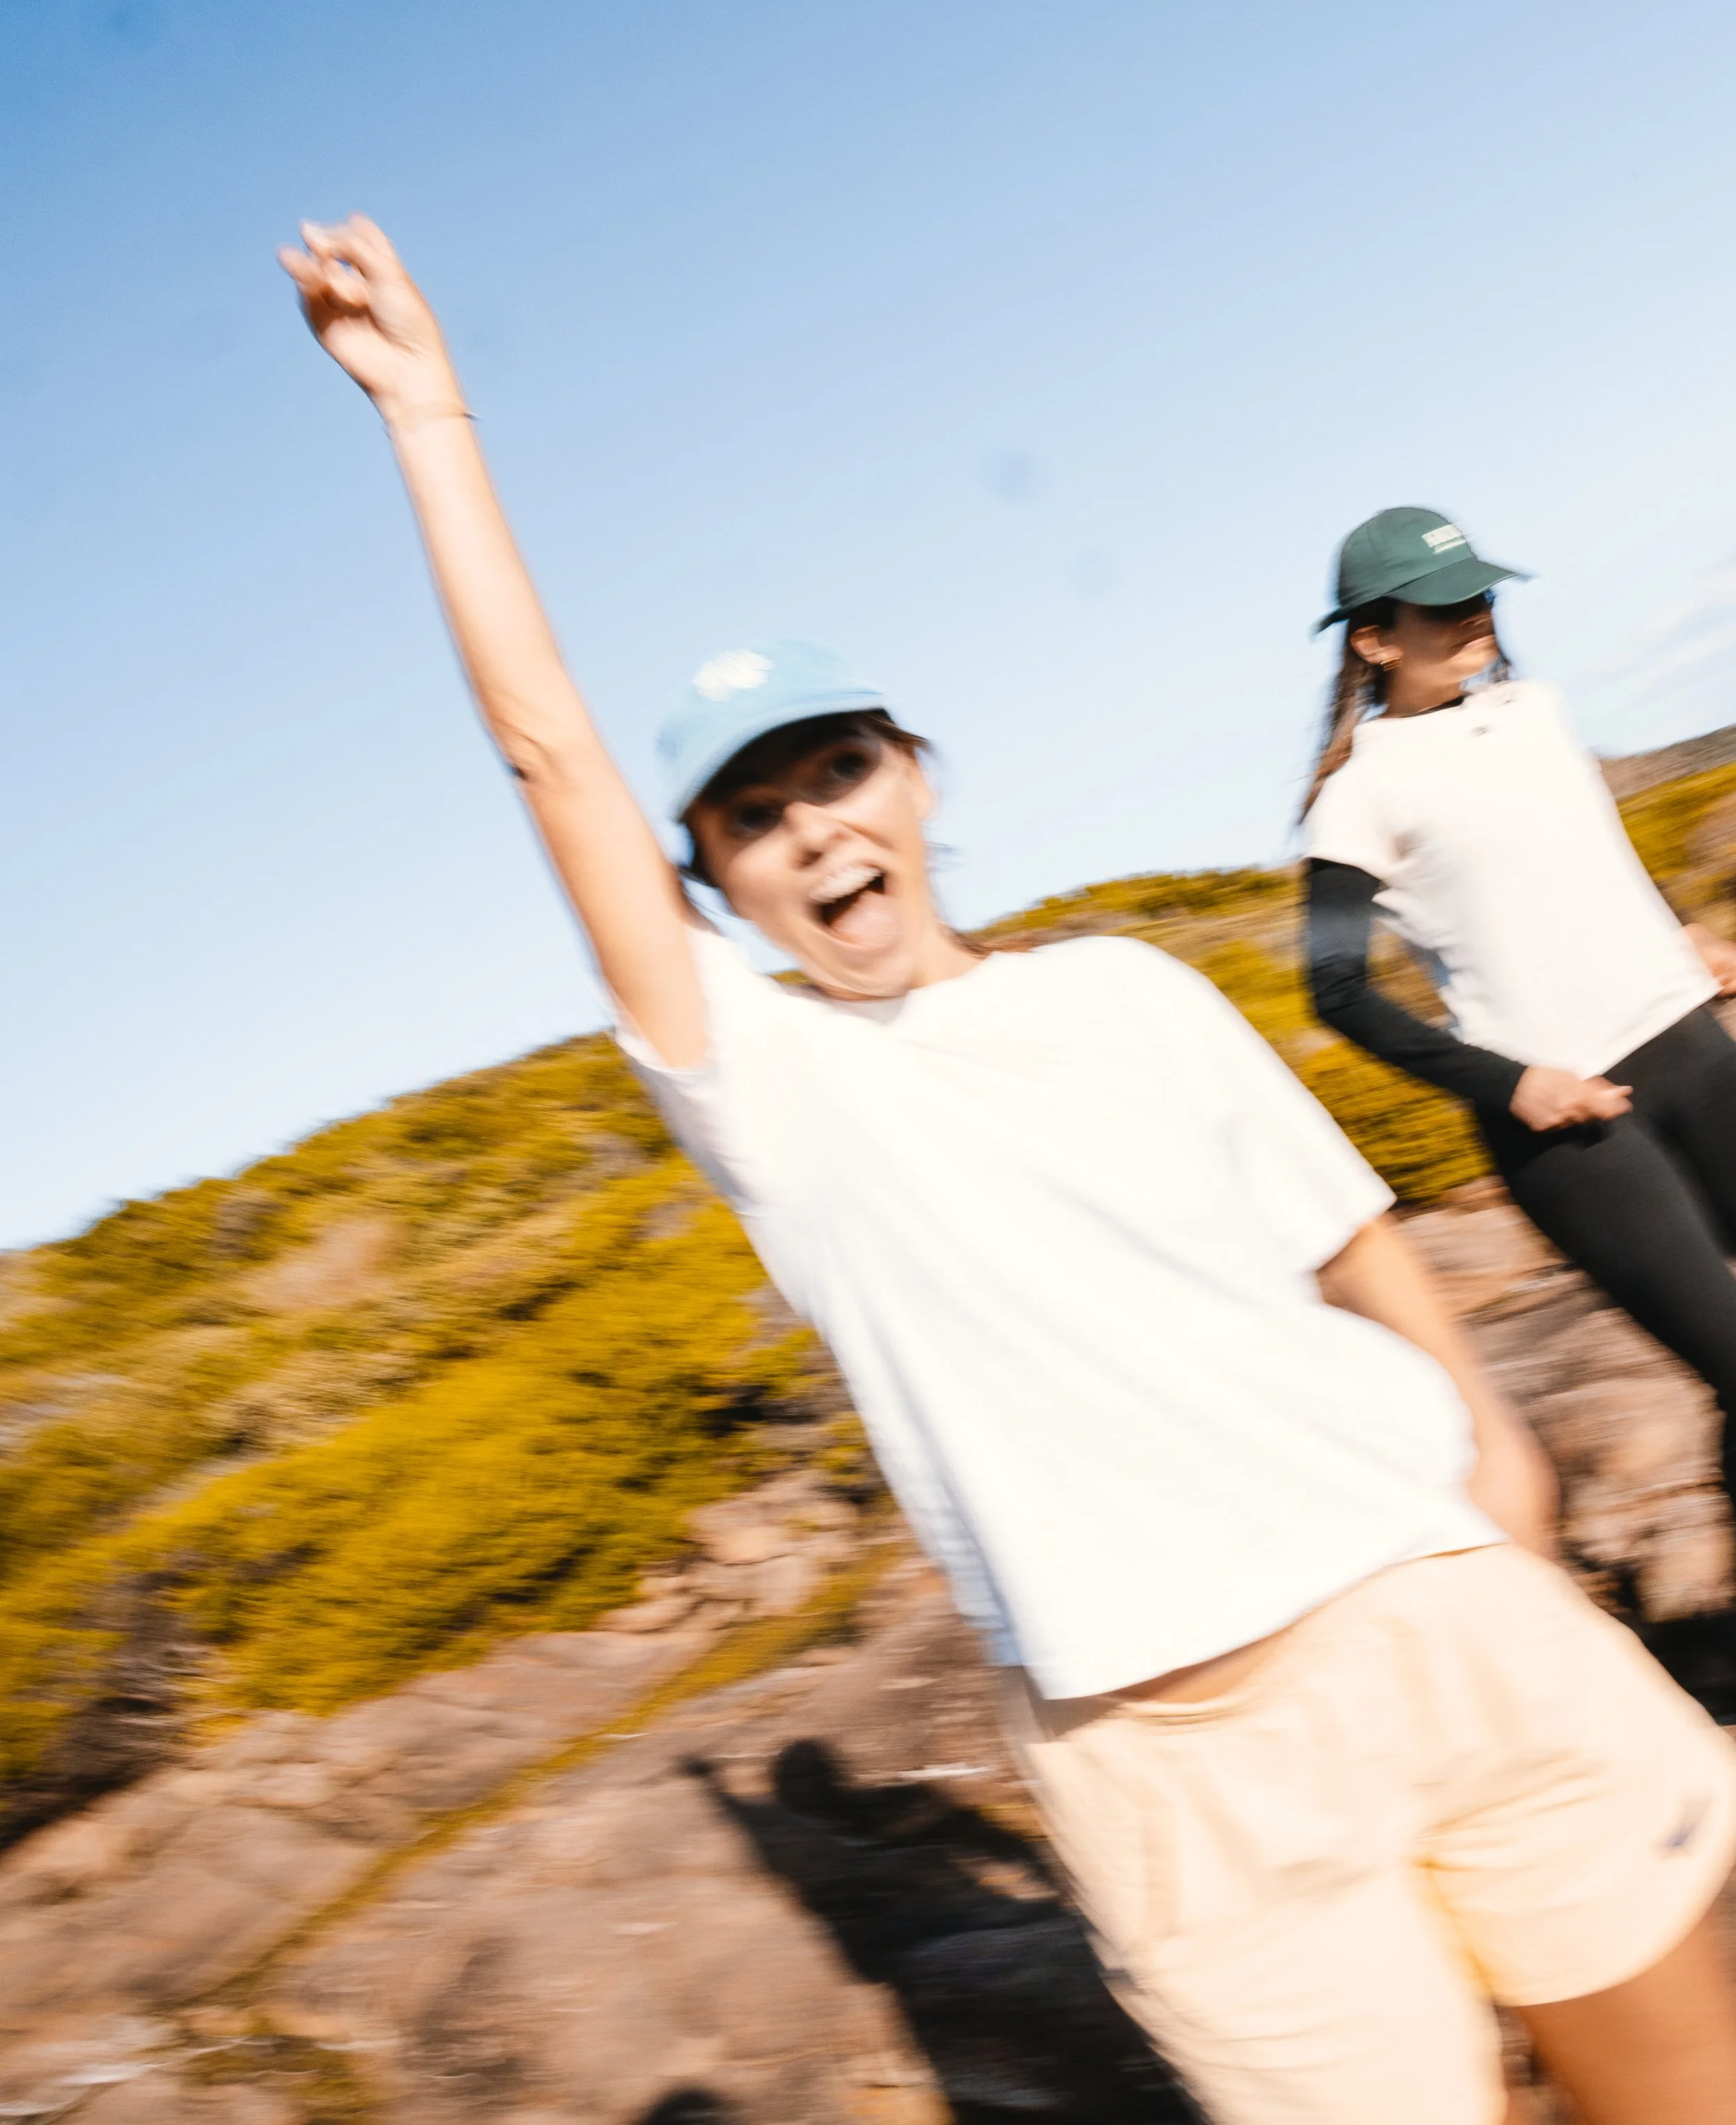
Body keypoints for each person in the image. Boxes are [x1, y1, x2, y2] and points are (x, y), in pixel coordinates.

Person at [279, 221, 1736, 2125]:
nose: (810, 829)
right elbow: (548, 751)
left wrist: (1497, 1441)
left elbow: (1346, 1231)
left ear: (915, 779)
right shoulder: (769, 1089)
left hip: (1451, 1618)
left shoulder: (1127, 989)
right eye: (750, 812)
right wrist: (426, 413)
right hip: (1182, 1767)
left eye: (835, 772)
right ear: (713, 882)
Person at [1301, 506, 1736, 1534]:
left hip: (1693, 1048)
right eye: (1444, 607)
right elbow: (1337, 990)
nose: (1475, 619)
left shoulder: (1538, 708)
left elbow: (1582, 860)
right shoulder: (1357, 796)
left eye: (1482, 595)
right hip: (1576, 1126)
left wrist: (1680, 937)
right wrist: (1514, 1083)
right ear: (1375, 638)